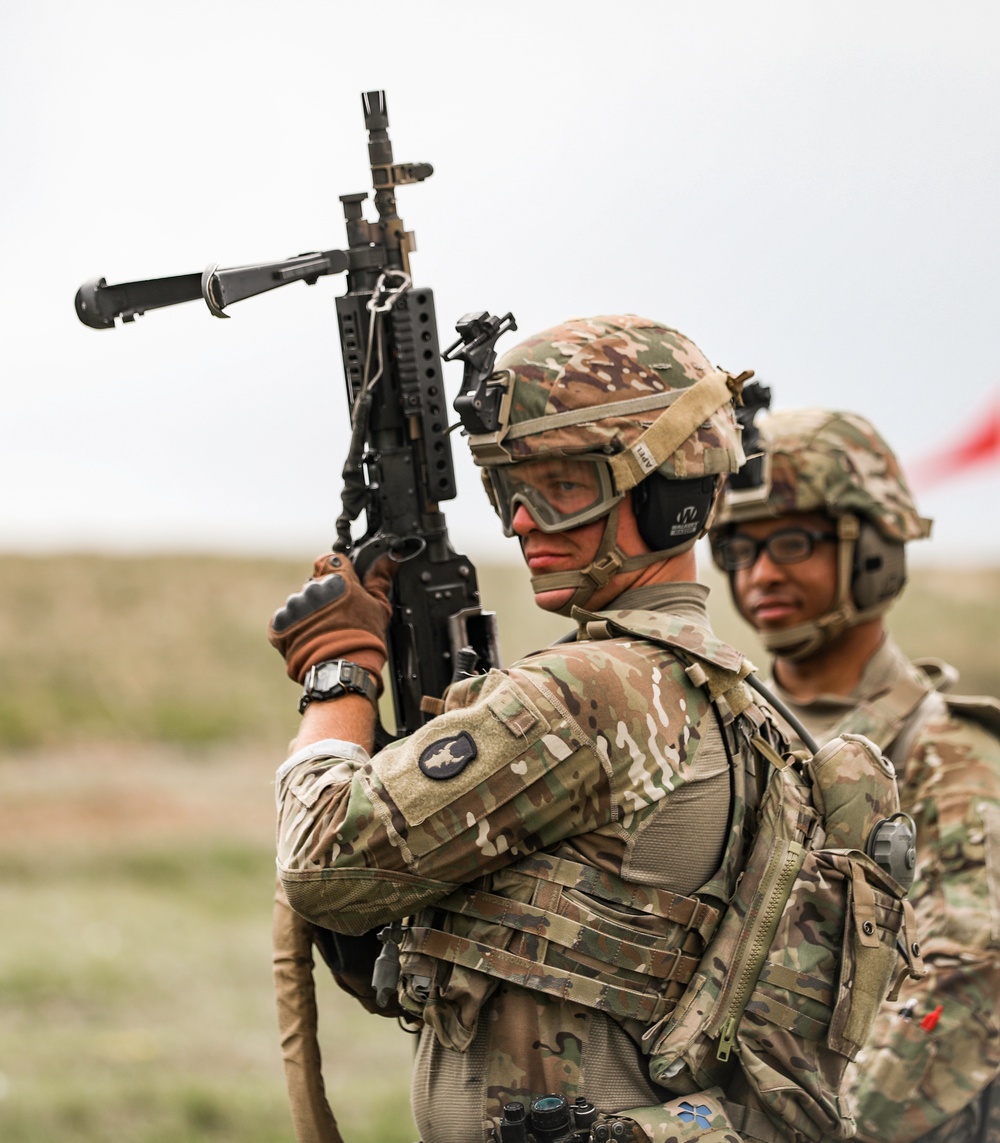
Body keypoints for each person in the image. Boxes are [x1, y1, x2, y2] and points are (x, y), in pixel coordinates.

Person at [267, 314, 776, 1143]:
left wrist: (339, 674)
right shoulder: (735, 699)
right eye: (509, 489)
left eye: (563, 486)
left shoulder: (589, 692)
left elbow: (321, 859)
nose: (524, 521)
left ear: (671, 487)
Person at [708, 406, 1000, 1143]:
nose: (760, 572)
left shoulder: (948, 754)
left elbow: (968, 981)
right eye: (738, 549)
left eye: (793, 542)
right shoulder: (719, 735)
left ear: (873, 550)